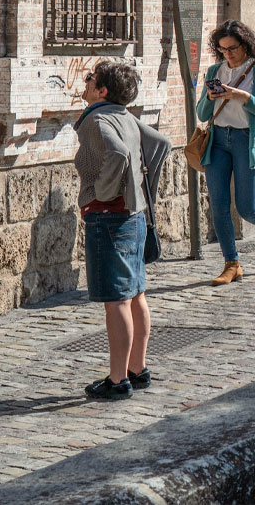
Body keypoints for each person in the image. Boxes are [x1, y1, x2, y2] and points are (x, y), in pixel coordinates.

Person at [74, 59, 165, 400]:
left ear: (102, 91)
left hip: (110, 217)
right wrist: (141, 192)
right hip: (134, 215)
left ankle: (117, 380)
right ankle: (137, 370)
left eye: (90, 79)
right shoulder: (126, 116)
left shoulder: (97, 119)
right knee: (136, 294)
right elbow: (161, 144)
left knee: (116, 302)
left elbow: (116, 154)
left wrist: (105, 193)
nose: (85, 83)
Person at [196, 20, 255, 286]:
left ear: (246, 44)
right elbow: (202, 114)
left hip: (246, 141)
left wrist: (241, 96)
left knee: (247, 208)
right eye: (223, 49)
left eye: (233, 48)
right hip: (218, 142)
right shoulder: (216, 70)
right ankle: (232, 264)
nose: (228, 54)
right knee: (219, 206)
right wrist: (209, 98)